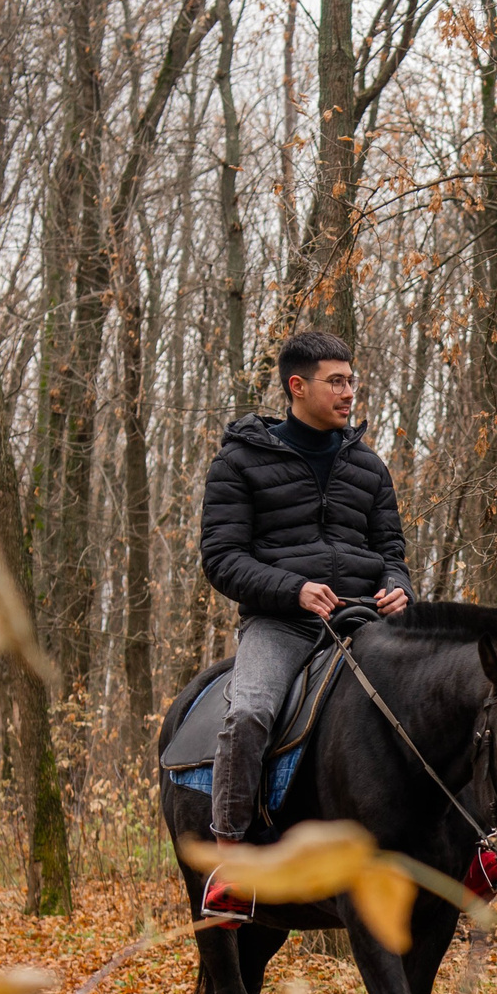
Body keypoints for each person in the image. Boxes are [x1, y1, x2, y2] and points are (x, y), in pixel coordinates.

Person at [197, 330, 411, 911]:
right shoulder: (238, 461)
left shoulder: (368, 465)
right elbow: (221, 559)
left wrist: (397, 588)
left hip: (367, 622)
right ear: (298, 386)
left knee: (439, 698)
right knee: (249, 713)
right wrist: (293, 590)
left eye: (352, 381)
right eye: (336, 382)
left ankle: (469, 853)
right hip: (281, 623)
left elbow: (392, 551)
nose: (349, 393)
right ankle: (232, 861)